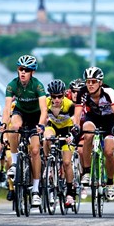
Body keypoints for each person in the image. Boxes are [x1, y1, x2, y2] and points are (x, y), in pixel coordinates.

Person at [0, 55, 47, 207]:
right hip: (20, 112)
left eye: (26, 70)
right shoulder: (12, 85)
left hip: (35, 117)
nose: (23, 72)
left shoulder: (38, 86)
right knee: (13, 128)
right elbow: (7, 108)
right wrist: (3, 122)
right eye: (21, 69)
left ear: (32, 72)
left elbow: (44, 109)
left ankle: (35, 191)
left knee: (34, 151)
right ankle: (14, 164)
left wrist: (40, 125)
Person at [72, 66, 114, 201]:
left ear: (100, 82)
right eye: (88, 81)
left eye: (94, 81)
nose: (90, 85)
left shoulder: (109, 91)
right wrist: (76, 125)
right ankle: (87, 171)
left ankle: (110, 183)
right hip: (92, 118)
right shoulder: (83, 92)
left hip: (109, 121)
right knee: (87, 133)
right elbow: (77, 114)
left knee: (109, 152)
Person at [43, 79, 76, 207]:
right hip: (53, 128)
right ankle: (48, 164)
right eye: (53, 96)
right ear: (49, 96)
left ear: (64, 95)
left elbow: (75, 122)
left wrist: (72, 135)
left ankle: (70, 192)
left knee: (67, 162)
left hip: (67, 130)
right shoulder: (45, 103)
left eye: (59, 96)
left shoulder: (69, 105)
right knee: (47, 137)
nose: (56, 99)